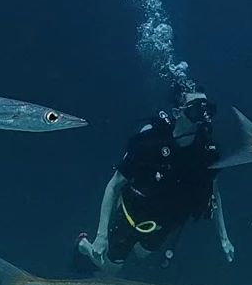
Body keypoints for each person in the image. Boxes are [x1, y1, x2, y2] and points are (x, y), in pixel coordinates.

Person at [77, 88, 234, 273]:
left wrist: (224, 238)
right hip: (132, 214)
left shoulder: (208, 151)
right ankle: (83, 245)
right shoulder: (150, 142)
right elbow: (114, 185)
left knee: (141, 253)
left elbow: (213, 192)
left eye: (207, 108)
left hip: (167, 221)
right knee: (112, 269)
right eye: (196, 108)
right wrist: (101, 236)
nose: (204, 114)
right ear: (177, 113)